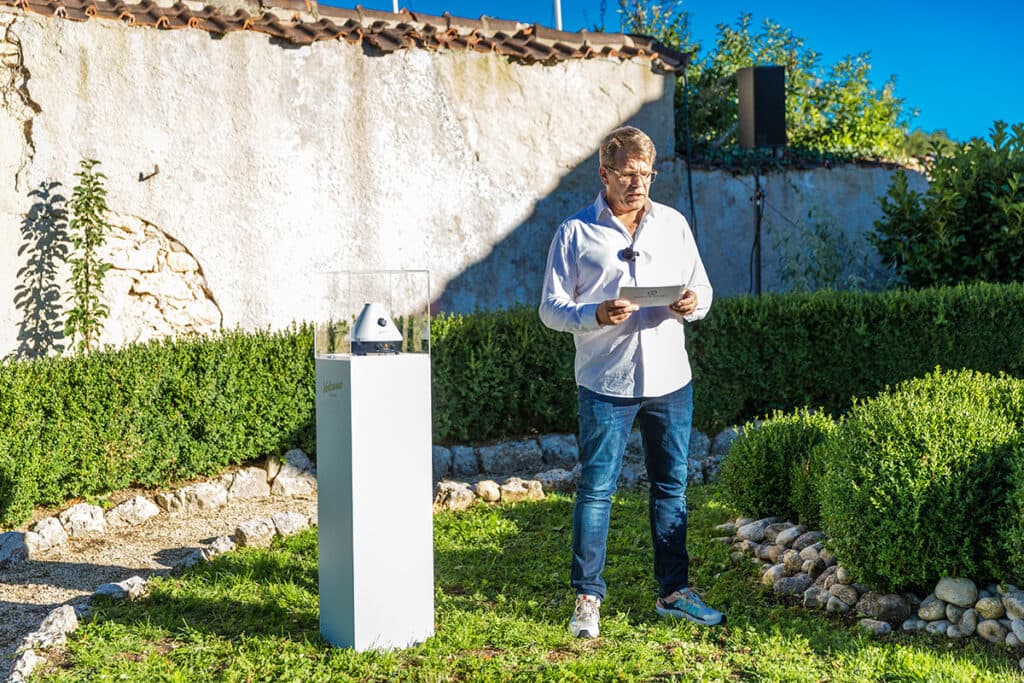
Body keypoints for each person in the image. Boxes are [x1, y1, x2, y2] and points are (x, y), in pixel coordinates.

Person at [538, 126, 722, 639]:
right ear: (604, 174)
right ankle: (587, 598)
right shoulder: (574, 232)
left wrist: (692, 304)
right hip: (605, 381)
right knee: (597, 490)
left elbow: (702, 288)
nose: (638, 184)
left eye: (646, 175)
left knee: (671, 487)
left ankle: (674, 593)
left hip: (669, 378)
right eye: (628, 175)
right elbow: (550, 309)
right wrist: (594, 314)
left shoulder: (674, 224)